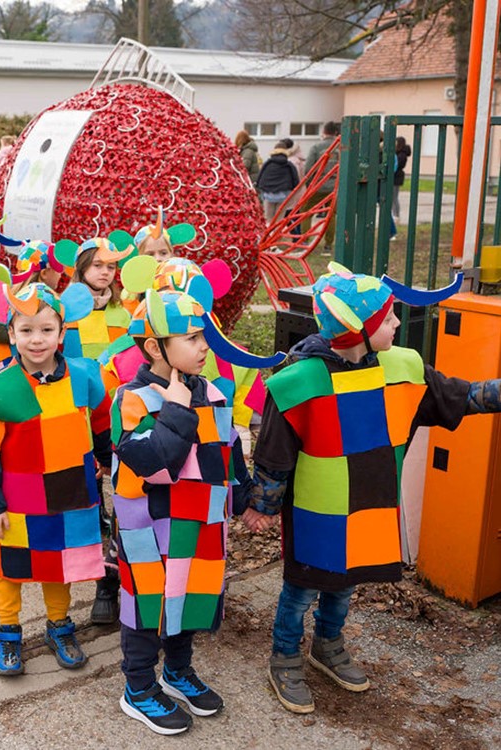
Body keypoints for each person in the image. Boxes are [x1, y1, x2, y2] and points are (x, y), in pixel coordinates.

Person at [251, 263, 501, 714]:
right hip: (318, 509)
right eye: (387, 319)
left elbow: (458, 395)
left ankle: (327, 644)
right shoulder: (297, 382)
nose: (398, 324)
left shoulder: (401, 368)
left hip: (371, 504)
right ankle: (284, 655)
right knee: (302, 588)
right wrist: (264, 505)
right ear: (355, 331)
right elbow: (273, 453)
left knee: (347, 582)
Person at [111, 284, 259, 735]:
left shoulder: (211, 390)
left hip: (200, 519)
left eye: (204, 335)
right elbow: (152, 464)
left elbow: (227, 449)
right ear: (155, 347)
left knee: (189, 596)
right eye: (193, 338)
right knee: (147, 605)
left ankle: (177, 672)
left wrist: (248, 497)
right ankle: (137, 688)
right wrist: (176, 411)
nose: (204, 346)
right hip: (150, 526)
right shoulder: (132, 400)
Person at [0, 281, 111, 677]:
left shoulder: (83, 376)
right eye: (26, 330)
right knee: (8, 569)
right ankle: (8, 633)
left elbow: (100, 423)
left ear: (62, 333)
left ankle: (59, 626)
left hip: (69, 491)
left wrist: (108, 460)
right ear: (10, 334)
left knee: (59, 563)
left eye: (47, 329)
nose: (37, 339)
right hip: (16, 496)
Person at [64, 238, 132, 359]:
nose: (105, 272)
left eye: (111, 267)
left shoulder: (124, 314)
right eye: (97, 265)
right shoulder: (63, 310)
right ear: (82, 267)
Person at [303, 121, 340, 255]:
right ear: (336, 133)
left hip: (318, 185)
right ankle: (328, 246)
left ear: (324, 132)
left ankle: (305, 242)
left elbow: (308, 169)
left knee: (306, 213)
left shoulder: (316, 147)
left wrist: (310, 184)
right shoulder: (340, 147)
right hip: (334, 187)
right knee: (331, 215)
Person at [257, 143, 300, 222]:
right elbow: (296, 181)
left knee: (268, 218)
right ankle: (277, 232)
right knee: (279, 219)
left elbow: (260, 179)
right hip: (284, 194)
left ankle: (268, 233)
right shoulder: (289, 165)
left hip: (268, 194)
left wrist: (261, 191)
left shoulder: (267, 164)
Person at [393, 136, 411, 220]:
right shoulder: (399, 153)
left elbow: (397, 165)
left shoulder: (402, 154)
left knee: (394, 197)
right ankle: (395, 214)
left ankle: (396, 215)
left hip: (397, 177)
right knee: (393, 197)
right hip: (396, 176)